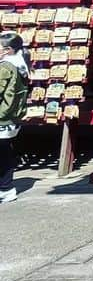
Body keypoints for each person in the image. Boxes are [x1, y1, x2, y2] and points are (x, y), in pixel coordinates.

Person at [0, 32, 29, 205]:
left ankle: (6, 188)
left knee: (3, 154)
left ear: (7, 50)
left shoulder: (5, 67)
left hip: (2, 116)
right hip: (10, 118)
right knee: (4, 153)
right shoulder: (19, 64)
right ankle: (6, 188)